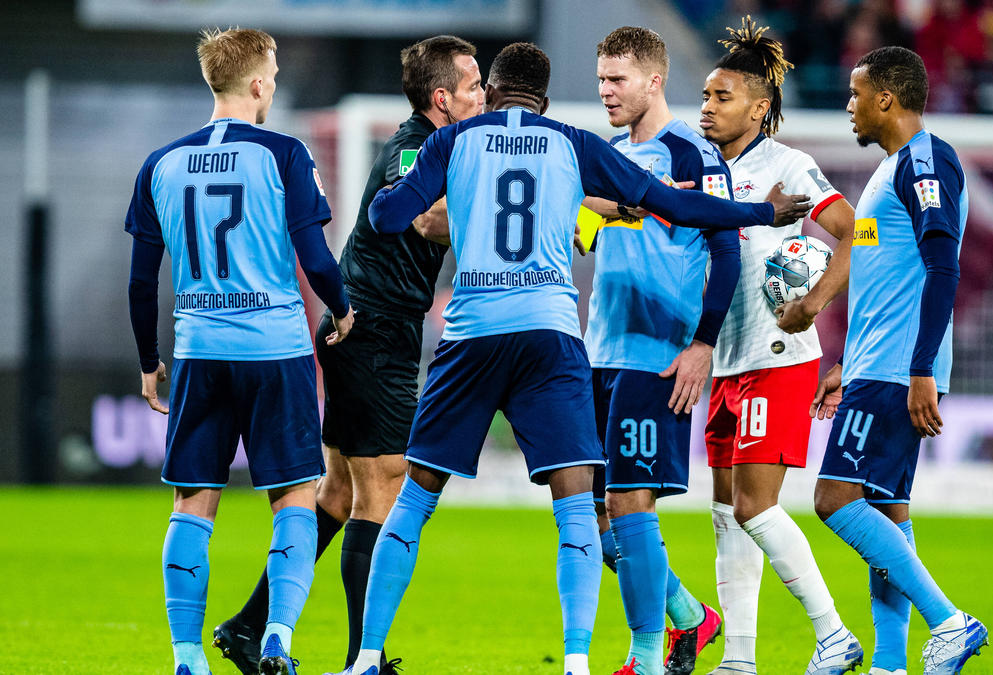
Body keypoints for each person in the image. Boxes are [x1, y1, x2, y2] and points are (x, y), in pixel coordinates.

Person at [338, 41, 813, 675]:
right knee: (576, 503)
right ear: (545, 94)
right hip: (551, 338)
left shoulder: (451, 143)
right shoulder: (576, 144)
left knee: (417, 497)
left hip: (474, 333)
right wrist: (763, 210)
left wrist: (418, 193)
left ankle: (367, 656)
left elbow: (390, 215)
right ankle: (576, 662)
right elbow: (677, 206)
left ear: (495, 89)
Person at [211, 34, 484, 675]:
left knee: (338, 493)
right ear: (442, 99)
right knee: (382, 490)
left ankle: (247, 627)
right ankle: (367, 658)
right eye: (474, 84)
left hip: (367, 329)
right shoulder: (417, 144)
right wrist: (517, 218)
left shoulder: (442, 142)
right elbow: (425, 217)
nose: (485, 93)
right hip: (372, 330)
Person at [126, 28, 355, 675]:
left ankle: (187, 655)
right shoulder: (284, 154)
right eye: (274, 73)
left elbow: (143, 281)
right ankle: (276, 634)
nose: (275, 83)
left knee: (192, 505)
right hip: (275, 350)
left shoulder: (161, 163)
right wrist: (342, 309)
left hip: (200, 348)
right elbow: (315, 257)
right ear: (257, 84)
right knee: (294, 499)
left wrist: (150, 361)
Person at [812, 46, 987, 675]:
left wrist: (918, 369)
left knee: (834, 500)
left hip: (896, 370)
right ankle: (889, 663)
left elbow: (944, 265)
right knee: (886, 512)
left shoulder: (926, 161)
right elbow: (884, 277)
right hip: (874, 365)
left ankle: (949, 621)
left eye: (857, 94)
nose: (850, 106)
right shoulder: (888, 172)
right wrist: (844, 364)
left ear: (886, 97)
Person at [584, 26, 753, 675]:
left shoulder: (689, 152)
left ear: (654, 80)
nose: (606, 91)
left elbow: (727, 248)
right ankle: (689, 613)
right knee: (595, 508)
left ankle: (646, 658)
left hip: (656, 352)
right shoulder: (607, 154)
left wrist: (703, 344)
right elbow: (593, 233)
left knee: (629, 501)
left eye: (617, 79)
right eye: (601, 79)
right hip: (602, 349)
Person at [697, 17, 862, 675]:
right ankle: (738, 658)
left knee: (755, 506)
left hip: (777, 355)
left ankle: (833, 634)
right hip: (727, 360)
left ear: (760, 108)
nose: (707, 107)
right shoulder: (702, 166)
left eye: (722, 97)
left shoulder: (788, 167)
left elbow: (859, 232)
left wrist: (816, 303)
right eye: (706, 95)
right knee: (725, 515)